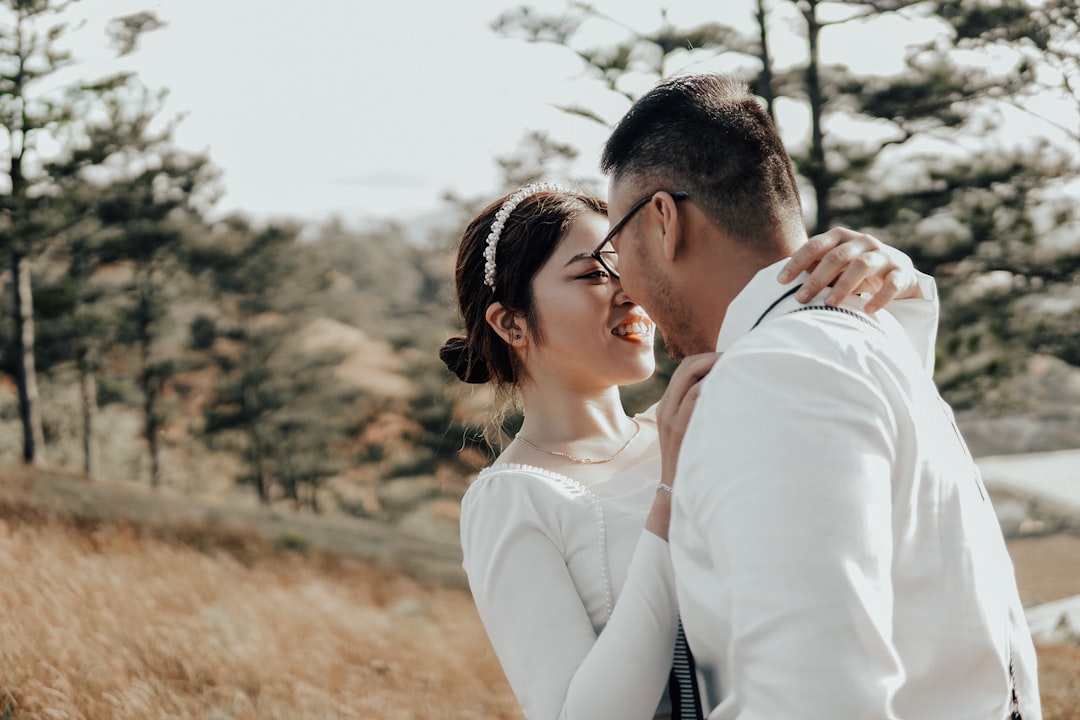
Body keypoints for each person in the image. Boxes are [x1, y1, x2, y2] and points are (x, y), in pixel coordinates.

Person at [594, 72, 1041, 719]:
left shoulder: (776, 374)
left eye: (615, 249)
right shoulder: (866, 338)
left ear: (664, 220)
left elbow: (815, 698)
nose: (624, 287)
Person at [441, 181, 940, 720]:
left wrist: (905, 293)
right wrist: (671, 499)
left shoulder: (699, 411)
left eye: (626, 266)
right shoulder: (511, 499)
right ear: (510, 322)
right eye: (590, 274)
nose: (628, 290)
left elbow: (880, 459)